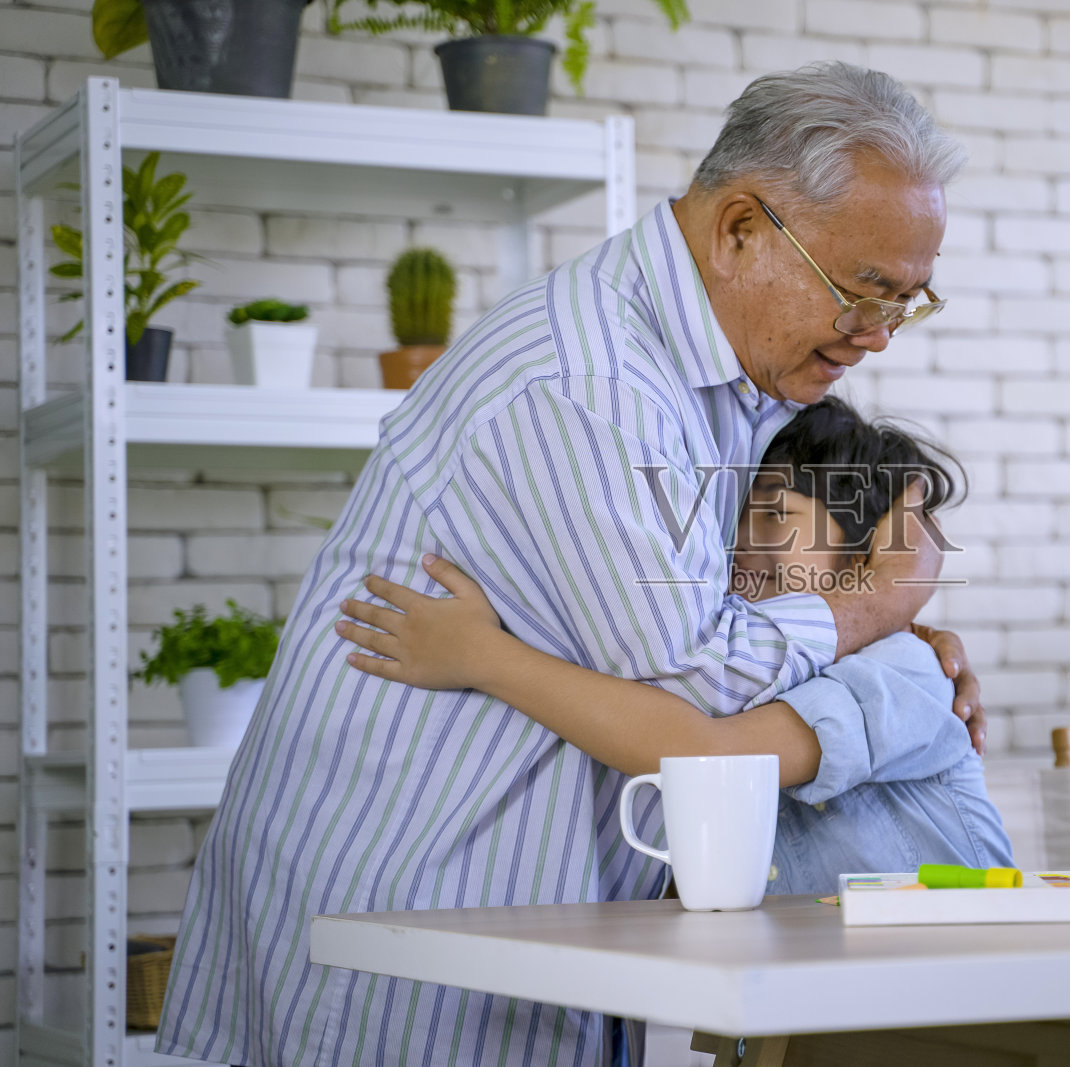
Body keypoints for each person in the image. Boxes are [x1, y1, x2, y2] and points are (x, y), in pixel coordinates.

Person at [157, 63, 980, 1067]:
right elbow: (693, 683)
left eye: (907, 300)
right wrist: (879, 601)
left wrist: (888, 643)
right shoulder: (587, 382)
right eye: (863, 290)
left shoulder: (747, 381)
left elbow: (727, 639)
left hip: (537, 921)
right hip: (418, 902)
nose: (879, 334)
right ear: (740, 230)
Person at [336, 397, 1014, 894]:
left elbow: (704, 754)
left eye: (779, 515)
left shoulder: (909, 668)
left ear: (868, 552)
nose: (745, 540)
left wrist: (482, 657)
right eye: (739, 516)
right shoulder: (730, 670)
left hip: (952, 1002)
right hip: (810, 1010)